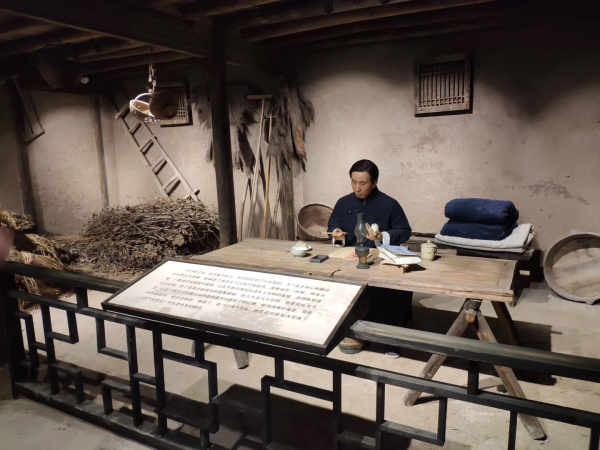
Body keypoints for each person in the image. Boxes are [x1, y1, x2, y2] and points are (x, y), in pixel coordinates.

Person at [328, 159, 412, 358]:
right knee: (334, 281)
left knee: (387, 288)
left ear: (374, 182)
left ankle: (389, 336)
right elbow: (333, 227)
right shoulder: (343, 203)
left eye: (363, 183)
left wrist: (384, 236)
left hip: (379, 256)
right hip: (350, 257)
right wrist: (337, 234)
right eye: (353, 182)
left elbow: (405, 231)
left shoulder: (389, 204)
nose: (357, 188)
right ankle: (348, 330)